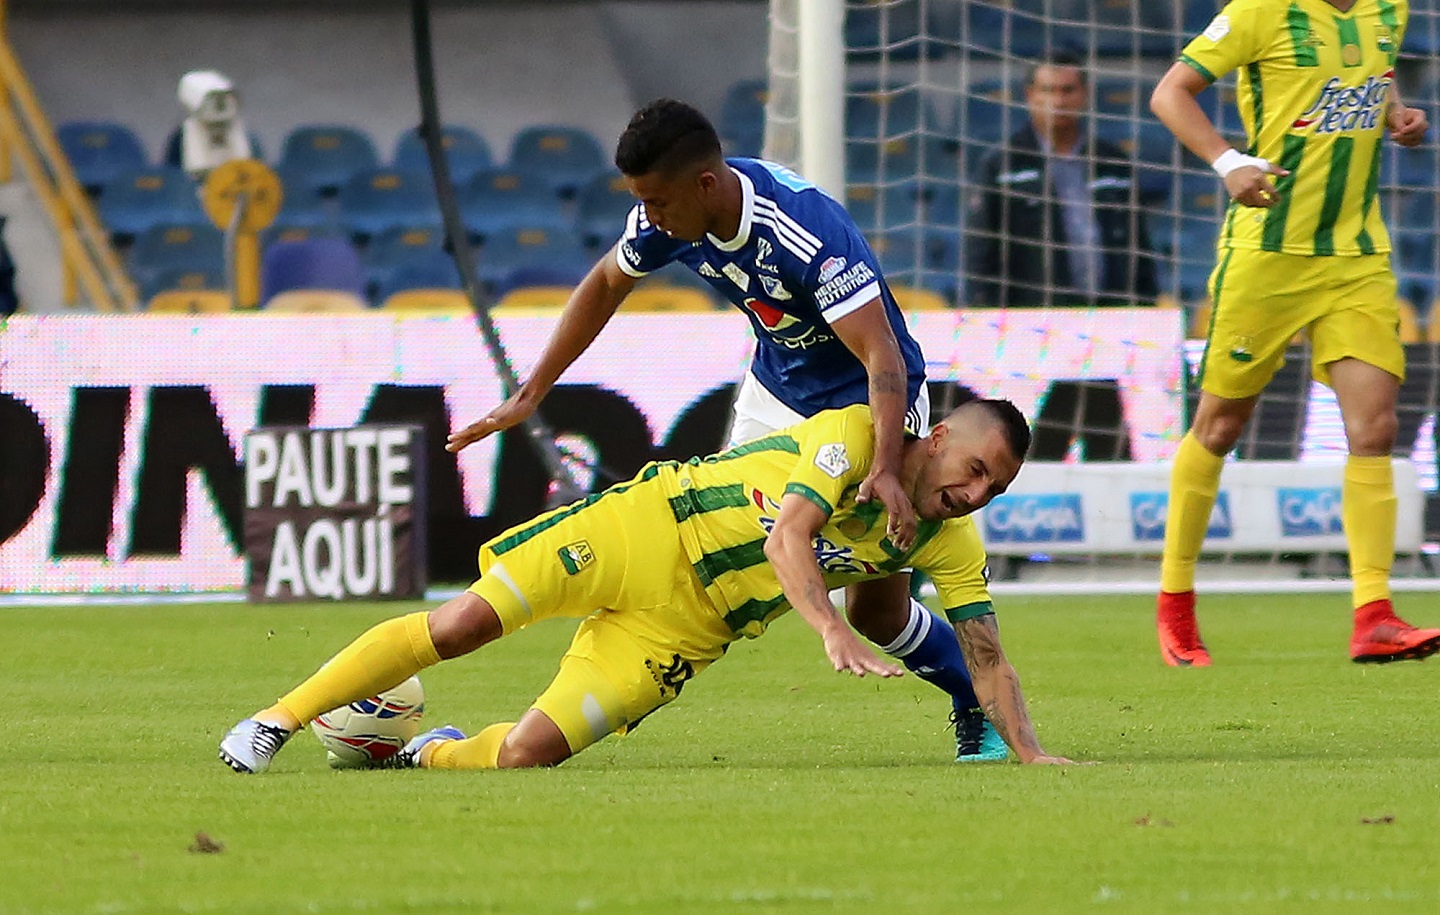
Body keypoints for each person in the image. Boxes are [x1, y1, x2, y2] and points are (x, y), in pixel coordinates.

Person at [445, 99, 1005, 762]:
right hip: (778, 395)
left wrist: (884, 465)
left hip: (874, 399)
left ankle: (973, 696)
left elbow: (881, 353)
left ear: (702, 185)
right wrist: (531, 391)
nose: (648, 215)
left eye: (655, 200)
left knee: (876, 612)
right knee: (730, 561)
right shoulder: (671, 212)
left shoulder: (804, 231)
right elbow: (604, 282)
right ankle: (629, 671)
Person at [220, 400, 1074, 773]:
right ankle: (275, 721)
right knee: (465, 623)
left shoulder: (951, 539)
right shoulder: (855, 436)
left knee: (526, 755)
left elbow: (986, 649)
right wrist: (830, 628)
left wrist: (1031, 752)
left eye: (993, 488)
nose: (975, 494)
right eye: (973, 470)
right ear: (933, 438)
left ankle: (421, 750)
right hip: (645, 529)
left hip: (689, 630)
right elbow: (790, 536)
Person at [1149, 0, 1440, 665]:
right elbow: (1170, 93)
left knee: (1376, 429)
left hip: (1355, 255)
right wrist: (1227, 162)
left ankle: (1373, 611)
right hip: (1268, 254)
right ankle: (1176, 603)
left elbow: (1372, 67)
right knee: (1219, 427)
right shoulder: (1260, 12)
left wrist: (1393, 111)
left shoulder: (1387, 9)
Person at [966, 50, 1158, 307]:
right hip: (1033, 320)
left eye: (1067, 90)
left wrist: (1145, 305)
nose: (1058, 100)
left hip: (1112, 314)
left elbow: (1140, 246)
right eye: (1048, 90)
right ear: (1030, 95)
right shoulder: (1003, 166)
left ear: (1085, 94)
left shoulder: (1113, 162)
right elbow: (981, 253)